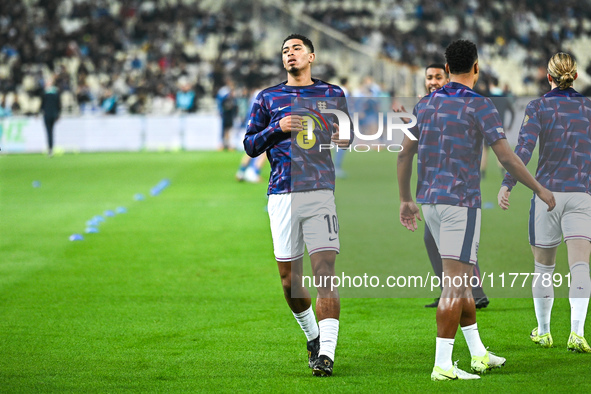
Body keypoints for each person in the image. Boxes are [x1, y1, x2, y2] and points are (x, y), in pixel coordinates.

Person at [397, 39, 556, 381]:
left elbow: (403, 154)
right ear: (477, 67)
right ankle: (442, 365)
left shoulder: (425, 104)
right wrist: (539, 188)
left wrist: (404, 199)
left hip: (430, 203)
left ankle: (478, 353)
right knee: (456, 284)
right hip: (461, 205)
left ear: (447, 66)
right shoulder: (480, 105)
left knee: (463, 282)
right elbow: (506, 157)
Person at [243, 33, 350, 377]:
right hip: (281, 194)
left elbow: (348, 135)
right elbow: (249, 146)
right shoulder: (268, 98)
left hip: (320, 191)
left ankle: (328, 355)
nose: (290, 54)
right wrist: (278, 127)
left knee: (325, 274)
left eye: (296, 49)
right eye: (285, 51)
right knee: (290, 281)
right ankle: (313, 338)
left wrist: (340, 133)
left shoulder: (332, 93)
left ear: (312, 56)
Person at [498, 52, 591, 353]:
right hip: (581, 194)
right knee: (580, 267)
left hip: (547, 196)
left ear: (547, 77)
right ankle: (577, 333)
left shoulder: (538, 106)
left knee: (543, 269)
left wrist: (508, 183)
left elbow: (523, 150)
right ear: (575, 76)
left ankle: (544, 331)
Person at [396, 64, 490, 309]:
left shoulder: (448, 102)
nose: (433, 81)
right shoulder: (427, 103)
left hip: (453, 190)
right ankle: (455, 291)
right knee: (435, 240)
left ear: (448, 76)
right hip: (436, 192)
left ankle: (468, 292)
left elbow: (408, 151)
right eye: (429, 77)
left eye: (438, 76)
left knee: (452, 242)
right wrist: (411, 120)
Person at [40, 77, 61, 156]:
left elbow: (42, 105)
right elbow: (58, 105)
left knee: (49, 132)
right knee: (51, 132)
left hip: (47, 115)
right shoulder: (56, 92)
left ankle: (50, 148)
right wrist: (58, 114)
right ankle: (51, 148)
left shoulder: (44, 93)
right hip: (53, 114)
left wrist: (39, 112)